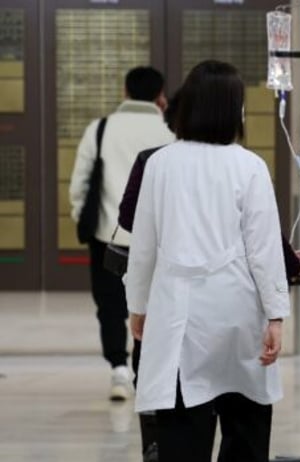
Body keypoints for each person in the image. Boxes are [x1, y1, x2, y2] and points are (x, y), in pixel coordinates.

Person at [125, 60, 290, 462]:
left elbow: (144, 246)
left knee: (181, 427)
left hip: (178, 310)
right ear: (234, 111)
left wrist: (137, 305)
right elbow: (264, 249)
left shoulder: (161, 163)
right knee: (246, 415)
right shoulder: (248, 166)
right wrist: (276, 315)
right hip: (238, 307)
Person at [69, 66, 175, 401]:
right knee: (155, 304)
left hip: (108, 237)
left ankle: (118, 369)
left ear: (125, 91)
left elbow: (80, 182)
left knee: (110, 303)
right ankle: (149, 371)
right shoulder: (169, 130)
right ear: (161, 96)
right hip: (159, 239)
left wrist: (85, 218)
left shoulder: (100, 129)